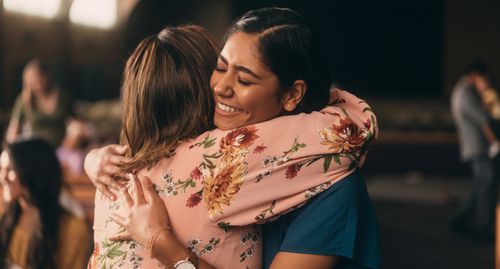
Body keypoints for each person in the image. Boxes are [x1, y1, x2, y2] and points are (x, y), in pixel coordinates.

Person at [87, 8, 379, 269]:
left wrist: (163, 244)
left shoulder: (334, 187)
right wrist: (95, 159)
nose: (221, 88)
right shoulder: (214, 156)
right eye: (220, 68)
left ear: (292, 94)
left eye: (245, 79)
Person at [0, 138, 91, 269]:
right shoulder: (3, 213)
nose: (2, 177)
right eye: (1, 168)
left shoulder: (73, 230)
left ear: (34, 172)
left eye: (10, 169)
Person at [450, 61, 500, 239]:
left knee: (480, 187)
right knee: (486, 187)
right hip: (479, 147)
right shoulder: (466, 93)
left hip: (475, 147)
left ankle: (459, 220)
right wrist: (495, 142)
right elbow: (484, 120)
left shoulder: (462, 91)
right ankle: (483, 229)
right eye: (484, 78)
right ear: (474, 76)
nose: (487, 82)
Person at [5, 59, 73, 147]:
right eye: (32, 77)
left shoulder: (63, 97)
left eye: (40, 76)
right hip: (34, 148)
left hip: (62, 147)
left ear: (47, 76)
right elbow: (13, 130)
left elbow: (74, 122)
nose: (37, 81)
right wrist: (11, 148)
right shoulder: (24, 100)